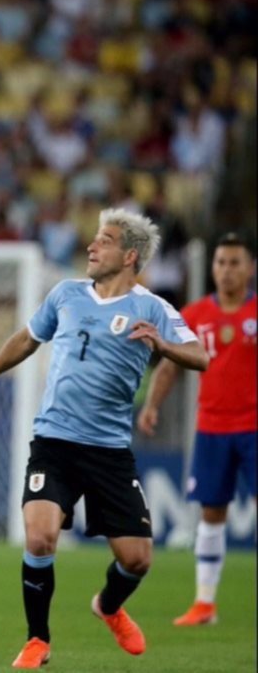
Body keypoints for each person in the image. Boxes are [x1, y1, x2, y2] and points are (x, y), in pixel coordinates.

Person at [0, 208, 209, 669]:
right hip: (54, 441)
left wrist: (163, 344)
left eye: (104, 241)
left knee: (137, 560)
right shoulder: (66, 294)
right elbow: (28, 338)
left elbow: (200, 356)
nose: (92, 247)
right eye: (94, 239)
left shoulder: (153, 308)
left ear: (129, 255)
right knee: (39, 538)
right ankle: (37, 640)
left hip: (110, 451)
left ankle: (108, 607)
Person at [138, 233, 256, 627]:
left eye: (235, 262)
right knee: (211, 513)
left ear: (250, 268)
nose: (226, 270)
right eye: (221, 262)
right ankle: (205, 603)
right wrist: (152, 405)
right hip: (212, 428)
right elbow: (170, 365)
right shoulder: (194, 314)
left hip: (254, 428)